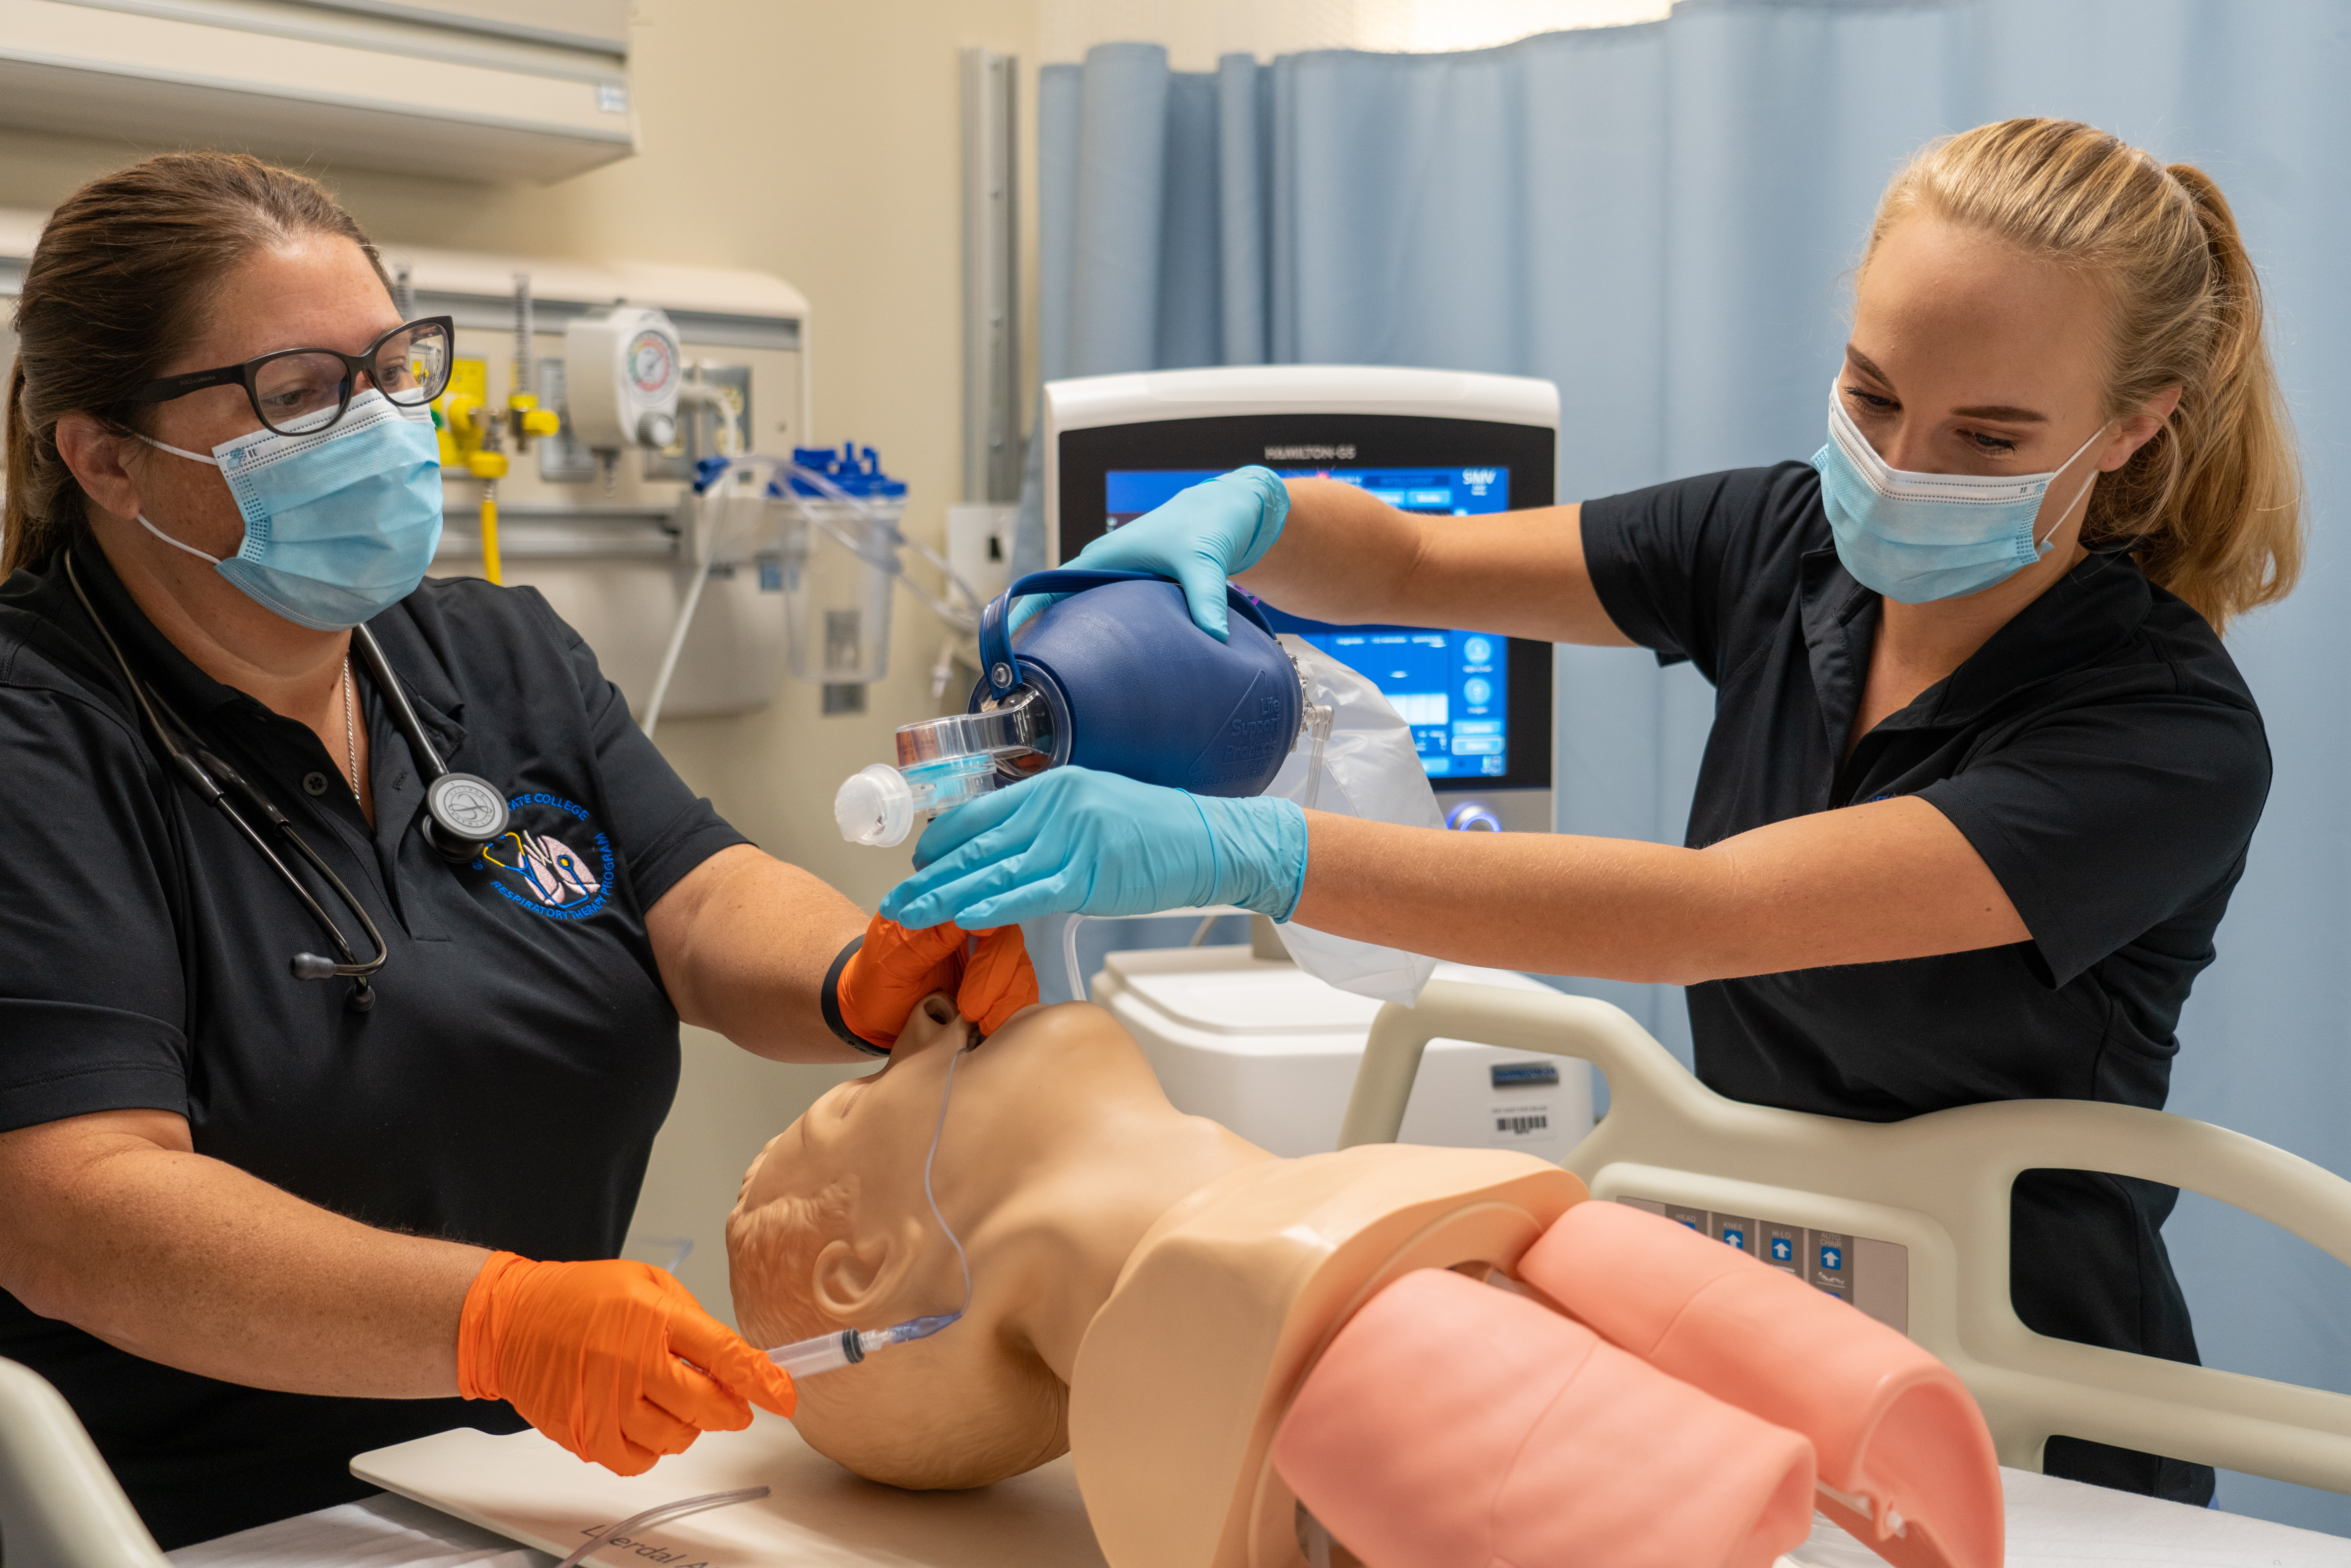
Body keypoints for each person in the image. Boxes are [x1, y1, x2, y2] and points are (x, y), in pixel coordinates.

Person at [881, 117, 2303, 1504]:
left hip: (2032, 1380)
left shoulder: (2159, 737)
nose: (1898, 465)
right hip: (1771, 1320)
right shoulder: (1787, 544)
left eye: (1985, 437)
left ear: (2131, 428)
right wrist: (1251, 514)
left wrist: (1260, 853)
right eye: (1869, 395)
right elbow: (1420, 568)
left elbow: (1715, 918)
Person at [0, 152, 1034, 1547]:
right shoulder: (36, 739)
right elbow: (77, 1210)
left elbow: (698, 893)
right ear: (108, 458)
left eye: (393, 369)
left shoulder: (491, 654)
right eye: (300, 395)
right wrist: (494, 1321)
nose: (377, 426)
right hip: (186, 1527)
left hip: (520, 1487)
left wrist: (861, 974)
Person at [725, 992, 2001, 1568]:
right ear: (867, 1276)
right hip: (1331, 1307)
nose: (932, 1026)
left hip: (1377, 1254)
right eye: (850, 1105)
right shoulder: (1222, 1330)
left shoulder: (1312, 1275)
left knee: (1865, 1421)